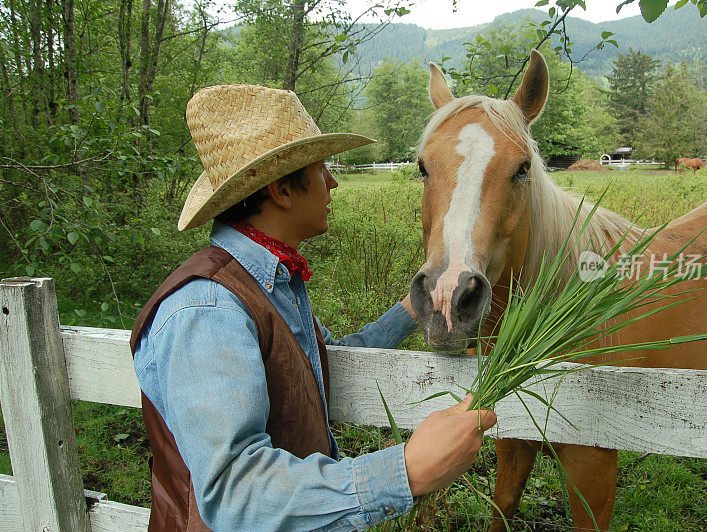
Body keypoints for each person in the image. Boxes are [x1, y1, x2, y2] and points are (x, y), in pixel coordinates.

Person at [130, 84, 497, 531]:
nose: (333, 182)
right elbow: (233, 492)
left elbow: (314, 358)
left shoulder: (269, 285)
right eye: (322, 169)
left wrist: (411, 309)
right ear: (283, 190)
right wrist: (407, 470)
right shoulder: (208, 308)